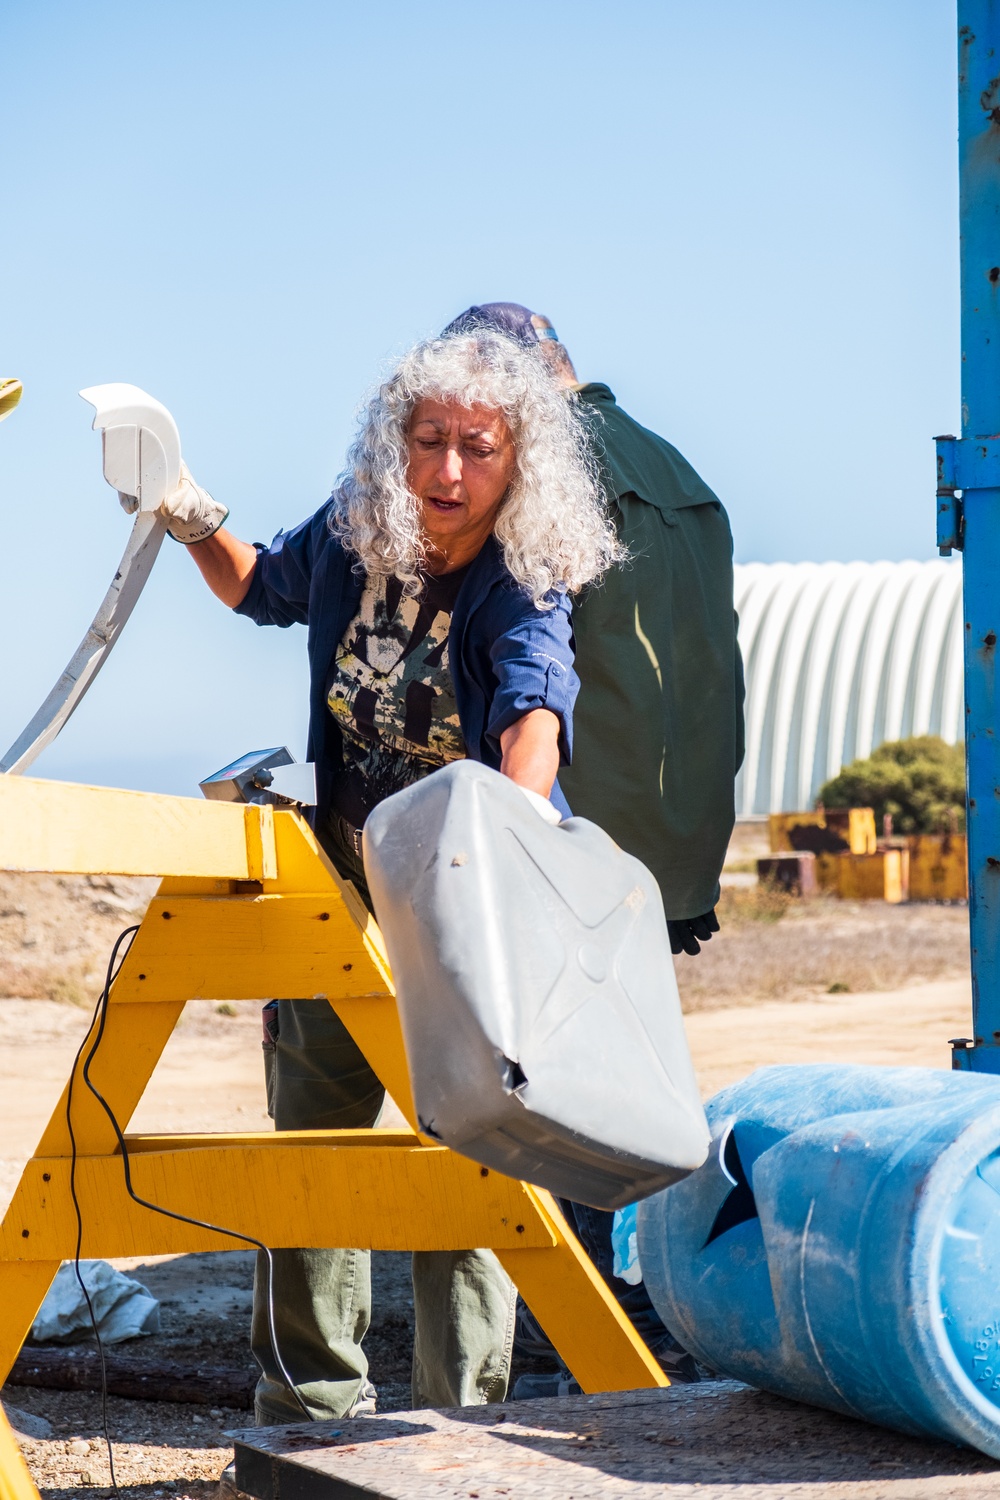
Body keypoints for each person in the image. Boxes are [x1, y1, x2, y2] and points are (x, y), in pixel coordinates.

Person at [147, 328, 620, 1421]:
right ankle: (310, 1417)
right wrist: (181, 507)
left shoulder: (519, 582)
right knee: (312, 1154)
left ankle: (460, 1428)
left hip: (467, 911)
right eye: (428, 440)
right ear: (392, 443)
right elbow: (260, 588)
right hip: (338, 892)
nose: (449, 472)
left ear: (520, 465)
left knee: (469, 1161)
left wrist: (500, 848)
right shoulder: (357, 539)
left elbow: (533, 714)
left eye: (478, 448)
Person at [442, 302, 745, 1394]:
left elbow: (525, 648)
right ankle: (658, 1303)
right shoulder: (674, 465)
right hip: (667, 823)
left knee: (543, 1074)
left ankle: (586, 1313)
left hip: (571, 819)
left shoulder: (545, 467)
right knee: (628, 1062)